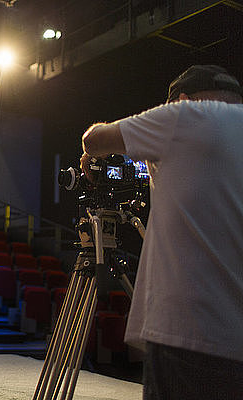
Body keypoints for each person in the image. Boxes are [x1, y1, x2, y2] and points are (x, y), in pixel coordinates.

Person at [79, 65, 243, 399]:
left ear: (180, 100)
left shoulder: (186, 114)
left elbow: (94, 139)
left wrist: (90, 156)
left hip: (190, 333)